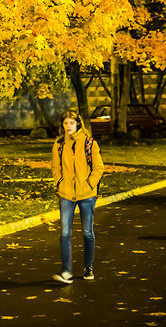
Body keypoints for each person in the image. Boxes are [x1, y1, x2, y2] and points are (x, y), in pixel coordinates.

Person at [51, 108, 104, 284]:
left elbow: (98, 167)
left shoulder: (89, 143)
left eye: (71, 123)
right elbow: (55, 168)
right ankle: (66, 272)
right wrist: (59, 182)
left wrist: (90, 183)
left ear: (78, 124)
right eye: (65, 123)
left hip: (86, 194)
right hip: (66, 193)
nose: (68, 126)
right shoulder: (59, 144)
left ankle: (88, 267)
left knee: (88, 232)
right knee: (65, 233)